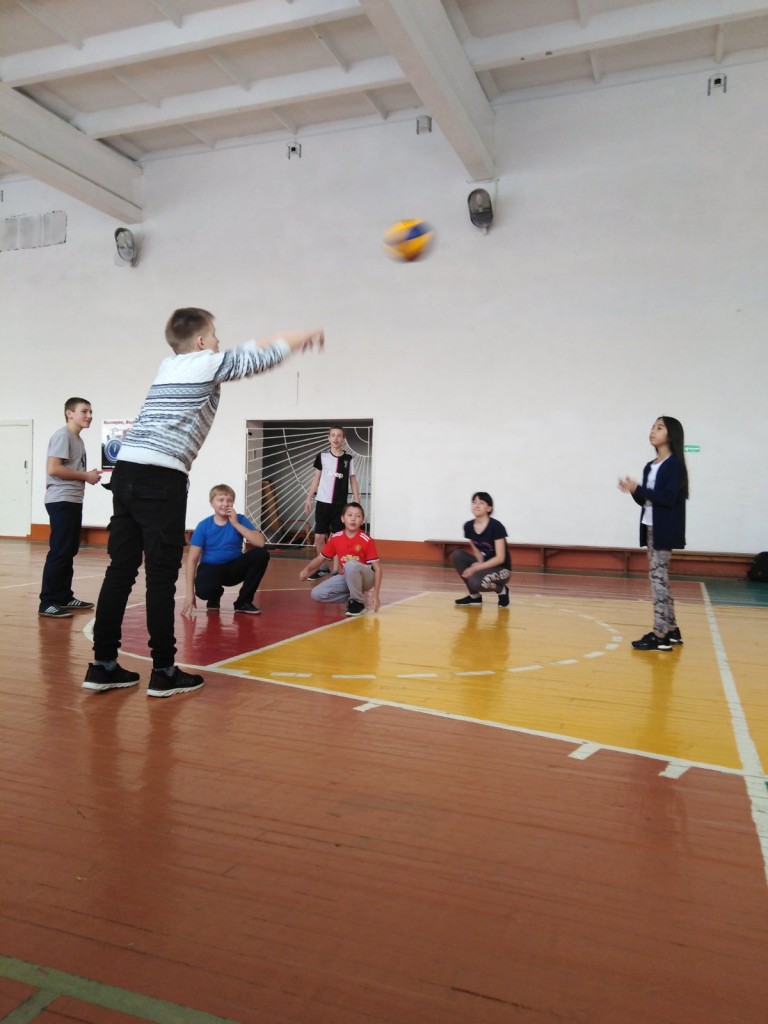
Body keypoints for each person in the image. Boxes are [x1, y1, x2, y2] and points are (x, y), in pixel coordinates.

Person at [83, 308, 324, 698]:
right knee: (161, 577)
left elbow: (250, 347)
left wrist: (287, 334)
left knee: (121, 571)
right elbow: (258, 357)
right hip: (161, 477)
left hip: (126, 471)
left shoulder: (169, 365)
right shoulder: (207, 363)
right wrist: (304, 335)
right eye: (214, 335)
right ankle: (164, 672)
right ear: (200, 342)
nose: (218, 342)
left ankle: (103, 665)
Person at [619, 415, 688, 652]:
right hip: (650, 526)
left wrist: (639, 488)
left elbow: (668, 498)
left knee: (657, 580)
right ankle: (672, 629)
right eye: (652, 427)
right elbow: (646, 500)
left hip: (665, 529)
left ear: (671, 435)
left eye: (659, 428)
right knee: (660, 579)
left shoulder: (674, 465)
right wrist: (633, 491)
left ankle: (660, 635)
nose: (653, 431)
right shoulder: (650, 465)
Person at [39, 397, 102, 618]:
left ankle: (64, 596)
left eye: (90, 411)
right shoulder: (62, 436)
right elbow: (53, 468)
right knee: (60, 550)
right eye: (84, 411)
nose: (89, 416)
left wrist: (87, 475)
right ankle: (48, 601)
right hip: (61, 500)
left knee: (69, 549)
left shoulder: (77, 439)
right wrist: (86, 476)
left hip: (73, 500)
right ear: (69, 413)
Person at [182, 484, 269, 616]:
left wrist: (235, 524)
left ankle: (243, 602)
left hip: (234, 568)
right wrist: (189, 594)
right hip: (211, 568)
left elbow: (260, 543)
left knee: (261, 554)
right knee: (204, 590)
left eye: (229, 500)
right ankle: (214, 596)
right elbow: (192, 560)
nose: (225, 504)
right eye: (220, 500)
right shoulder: (203, 526)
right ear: (211, 503)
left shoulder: (240, 519)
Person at [298, 502, 381, 616]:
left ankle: (358, 603)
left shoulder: (366, 540)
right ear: (342, 518)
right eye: (349, 515)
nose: (353, 519)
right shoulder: (336, 538)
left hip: (366, 579)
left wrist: (376, 595)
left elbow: (378, 569)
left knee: (350, 565)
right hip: (347, 576)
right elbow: (320, 558)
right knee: (316, 594)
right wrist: (307, 569)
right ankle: (352, 599)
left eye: (358, 516)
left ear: (362, 521)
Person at [304, 426, 360, 579]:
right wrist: (308, 498)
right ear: (328, 438)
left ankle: (335, 571)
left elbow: (353, 480)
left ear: (343, 439)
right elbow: (316, 478)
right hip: (322, 503)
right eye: (333, 435)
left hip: (340, 505)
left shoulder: (348, 459)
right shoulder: (321, 457)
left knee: (336, 538)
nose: (336, 438)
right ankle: (323, 567)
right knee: (319, 537)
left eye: (339, 435)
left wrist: (357, 500)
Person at [450, 492, 511, 607]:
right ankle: (474, 597)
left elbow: (500, 558)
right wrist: (478, 563)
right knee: (457, 555)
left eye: (481, 503)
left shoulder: (496, 526)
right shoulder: (468, 526)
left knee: (475, 582)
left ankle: (501, 590)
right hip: (485, 566)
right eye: (474, 502)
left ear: (489, 508)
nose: (476, 505)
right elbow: (477, 550)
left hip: (502, 569)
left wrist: (476, 568)